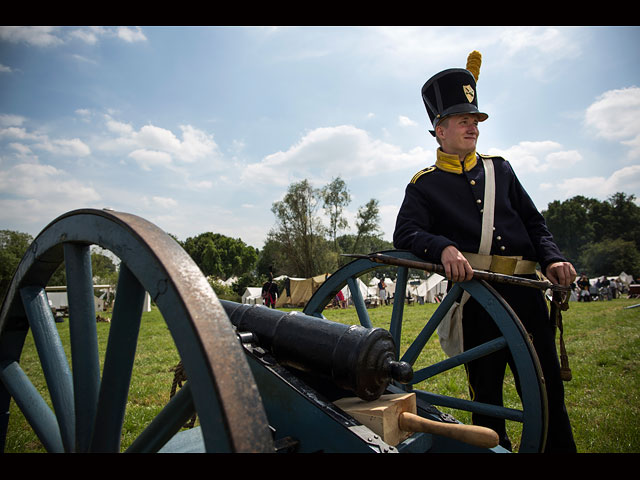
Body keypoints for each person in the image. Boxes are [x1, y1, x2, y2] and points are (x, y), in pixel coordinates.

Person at [393, 51, 576, 452]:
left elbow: (533, 222)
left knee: (548, 398)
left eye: (474, 120)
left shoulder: (501, 169)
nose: (472, 126)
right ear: (439, 130)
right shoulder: (424, 185)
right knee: (487, 400)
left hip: (526, 291)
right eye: (462, 120)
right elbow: (405, 233)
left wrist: (554, 258)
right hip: (479, 301)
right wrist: (443, 247)